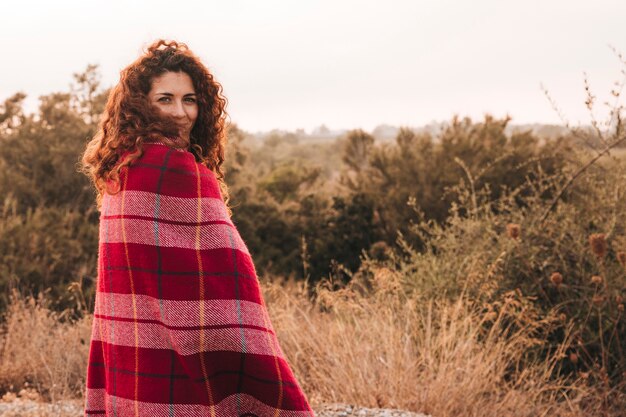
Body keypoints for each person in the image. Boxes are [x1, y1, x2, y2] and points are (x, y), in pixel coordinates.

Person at [81, 39, 315, 417]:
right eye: (166, 99)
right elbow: (229, 278)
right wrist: (246, 344)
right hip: (179, 361)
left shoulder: (120, 171)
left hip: (133, 355)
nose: (180, 112)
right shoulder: (177, 172)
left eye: (189, 100)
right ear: (141, 105)